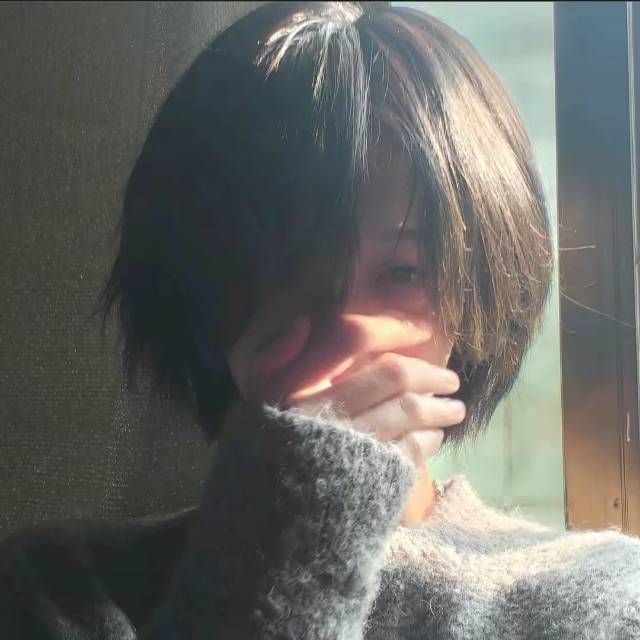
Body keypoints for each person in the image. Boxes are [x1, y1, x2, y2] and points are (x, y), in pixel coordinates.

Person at [2, 2, 640, 638]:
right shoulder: (56, 588)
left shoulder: (600, 598)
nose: (346, 328)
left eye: (404, 272)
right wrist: (299, 521)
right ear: (200, 296)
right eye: (282, 273)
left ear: (478, 293)